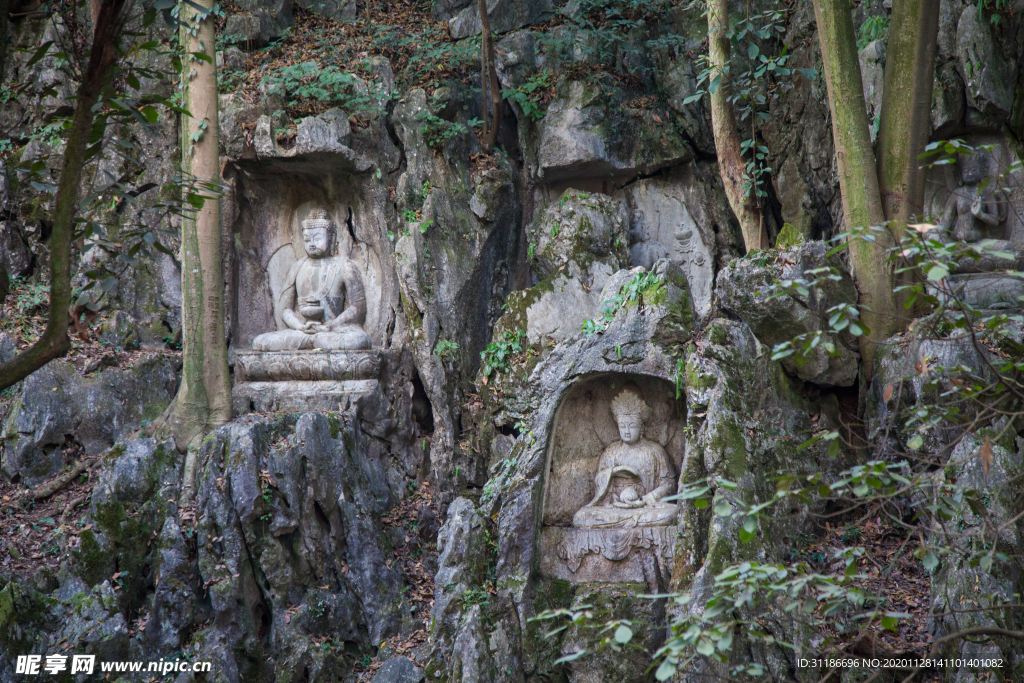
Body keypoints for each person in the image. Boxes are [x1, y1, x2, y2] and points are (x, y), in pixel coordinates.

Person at [252, 208, 371, 351]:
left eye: (318, 238)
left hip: (333, 332)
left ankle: (318, 343)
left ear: (331, 238)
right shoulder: (297, 267)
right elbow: (285, 309)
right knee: (260, 342)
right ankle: (313, 342)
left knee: (357, 341)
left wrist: (330, 326)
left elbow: (358, 308)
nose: (312, 243)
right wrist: (300, 326)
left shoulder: (344, 266)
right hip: (302, 333)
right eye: (307, 239)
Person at [573, 386, 678, 529]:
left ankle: (629, 521)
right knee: (581, 517)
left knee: (672, 513)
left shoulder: (655, 451)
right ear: (617, 426)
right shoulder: (611, 452)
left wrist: (646, 499)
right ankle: (626, 522)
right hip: (615, 509)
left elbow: (669, 484)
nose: (627, 431)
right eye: (622, 426)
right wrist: (614, 472)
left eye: (632, 425)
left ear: (642, 427)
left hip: (646, 508)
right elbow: (598, 483)